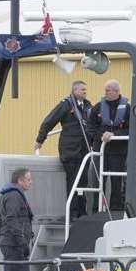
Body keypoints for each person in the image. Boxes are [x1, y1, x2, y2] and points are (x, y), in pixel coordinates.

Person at [34, 81, 93, 220]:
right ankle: (72, 213)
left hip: (84, 150)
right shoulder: (66, 104)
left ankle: (82, 211)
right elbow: (49, 121)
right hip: (70, 150)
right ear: (75, 90)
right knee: (72, 181)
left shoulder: (88, 106)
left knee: (83, 181)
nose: (85, 92)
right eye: (82, 89)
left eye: (86, 89)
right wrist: (40, 140)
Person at [87, 79, 129, 211]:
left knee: (117, 182)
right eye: (105, 90)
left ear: (116, 91)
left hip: (119, 151)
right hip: (100, 150)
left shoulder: (127, 109)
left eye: (108, 90)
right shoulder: (97, 107)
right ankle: (96, 209)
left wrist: (114, 135)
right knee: (98, 181)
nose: (105, 93)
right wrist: (102, 135)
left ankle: (116, 210)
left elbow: (131, 129)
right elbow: (90, 128)